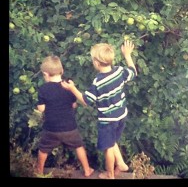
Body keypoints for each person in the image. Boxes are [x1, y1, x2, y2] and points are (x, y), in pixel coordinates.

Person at [61, 40, 137, 179]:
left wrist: (72, 88)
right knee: (112, 140)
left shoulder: (98, 82)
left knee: (108, 147)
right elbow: (133, 72)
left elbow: (85, 101)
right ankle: (121, 163)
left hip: (107, 120)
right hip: (121, 115)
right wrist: (127, 55)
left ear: (96, 62)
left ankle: (110, 175)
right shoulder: (120, 71)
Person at [36, 55, 94, 177]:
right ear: (62, 71)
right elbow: (73, 105)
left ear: (45, 74)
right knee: (79, 146)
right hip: (69, 127)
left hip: (51, 128)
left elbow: (41, 109)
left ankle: (39, 171)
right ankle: (87, 170)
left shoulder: (43, 89)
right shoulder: (68, 87)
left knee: (43, 149)